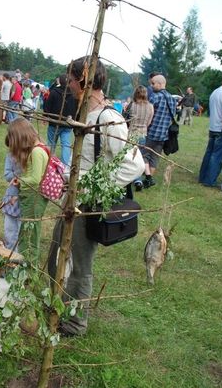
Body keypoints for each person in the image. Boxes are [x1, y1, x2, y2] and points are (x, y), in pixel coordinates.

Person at [48, 56, 144, 337]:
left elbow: (134, 164)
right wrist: (67, 177)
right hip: (72, 202)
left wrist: (94, 188)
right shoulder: (84, 115)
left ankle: (75, 323)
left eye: (72, 78)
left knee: (80, 266)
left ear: (83, 80)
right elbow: (87, 160)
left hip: (88, 206)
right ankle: (57, 306)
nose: (69, 84)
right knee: (56, 254)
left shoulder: (108, 118)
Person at [6, 117, 49, 259]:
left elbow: (36, 179)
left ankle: (25, 265)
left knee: (27, 236)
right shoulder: (37, 150)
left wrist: (19, 180)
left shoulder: (36, 152)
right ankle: (20, 261)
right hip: (28, 197)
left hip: (32, 198)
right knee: (22, 234)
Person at [199, 71, 222, 187]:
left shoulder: (215, 92)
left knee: (209, 153)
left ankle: (203, 177)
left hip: (213, 126)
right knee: (217, 156)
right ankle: (209, 181)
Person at [142, 74, 176, 189]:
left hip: (151, 132)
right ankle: (149, 179)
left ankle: (148, 178)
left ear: (160, 84)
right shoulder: (172, 99)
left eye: (153, 83)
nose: (151, 86)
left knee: (144, 155)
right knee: (155, 158)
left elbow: (147, 113)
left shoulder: (155, 97)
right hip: (163, 135)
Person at [44, 74, 78, 166]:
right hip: (66, 124)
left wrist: (46, 115)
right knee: (66, 145)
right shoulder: (74, 94)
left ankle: (50, 163)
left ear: (60, 81)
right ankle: (64, 165)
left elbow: (47, 107)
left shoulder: (54, 92)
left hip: (55, 123)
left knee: (51, 144)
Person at [126, 85, 154, 191]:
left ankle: (134, 180)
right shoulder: (150, 106)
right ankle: (138, 180)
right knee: (139, 158)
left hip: (131, 134)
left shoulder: (131, 105)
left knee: (130, 158)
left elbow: (126, 119)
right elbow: (149, 122)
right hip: (143, 134)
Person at [2, 152, 22, 251]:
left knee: (21, 231)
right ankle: (10, 254)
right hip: (12, 195)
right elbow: (7, 175)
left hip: (26, 198)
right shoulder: (11, 154)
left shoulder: (33, 154)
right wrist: (19, 173)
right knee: (9, 230)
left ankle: (19, 257)